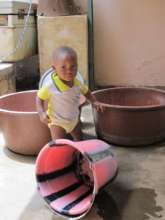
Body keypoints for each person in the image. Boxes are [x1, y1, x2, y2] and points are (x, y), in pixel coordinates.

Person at [36, 46, 104, 141]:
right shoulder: (51, 85)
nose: (69, 71)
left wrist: (94, 101)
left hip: (74, 121)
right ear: (54, 69)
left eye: (73, 66)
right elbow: (39, 98)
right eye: (63, 67)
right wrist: (41, 113)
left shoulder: (77, 83)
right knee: (59, 143)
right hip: (57, 122)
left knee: (80, 140)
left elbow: (86, 92)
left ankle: (78, 154)